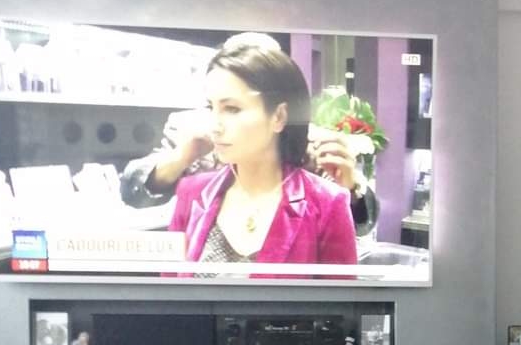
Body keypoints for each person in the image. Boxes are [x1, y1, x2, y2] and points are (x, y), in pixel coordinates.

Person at [119, 34, 379, 236]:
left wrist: (352, 189)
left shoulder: (312, 143)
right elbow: (134, 194)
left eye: (234, 108)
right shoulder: (191, 129)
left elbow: (358, 226)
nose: (218, 122)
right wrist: (181, 158)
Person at [166, 34, 358, 272]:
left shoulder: (326, 203)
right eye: (210, 107)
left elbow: (340, 295)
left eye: (232, 109)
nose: (214, 125)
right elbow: (170, 290)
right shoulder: (192, 194)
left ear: (279, 116)